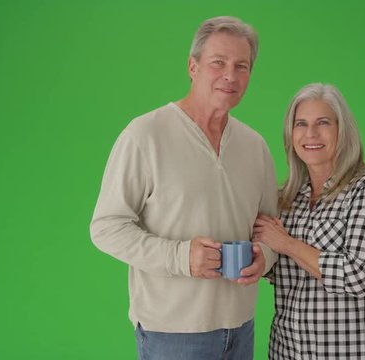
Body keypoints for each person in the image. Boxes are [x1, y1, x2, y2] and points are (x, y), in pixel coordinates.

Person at [90, 16, 278, 360]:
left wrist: (263, 258)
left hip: (242, 328)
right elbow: (105, 227)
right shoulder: (145, 135)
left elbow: (270, 229)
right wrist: (180, 257)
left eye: (242, 66)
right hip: (172, 334)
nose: (230, 76)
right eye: (218, 63)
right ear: (193, 67)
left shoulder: (255, 146)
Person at [253, 83, 365, 359]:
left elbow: (358, 276)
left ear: (342, 131)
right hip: (288, 351)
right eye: (301, 124)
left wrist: (286, 244)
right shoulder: (286, 199)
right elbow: (276, 267)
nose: (311, 134)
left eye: (323, 123)